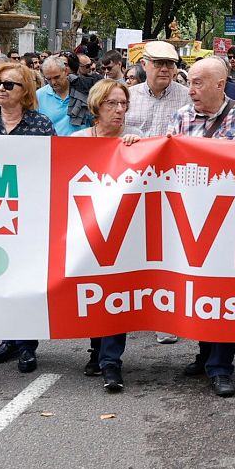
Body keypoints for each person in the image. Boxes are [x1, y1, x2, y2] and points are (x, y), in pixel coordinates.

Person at [174, 56, 235, 397]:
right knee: (199, 290)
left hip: (233, 220)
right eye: (190, 82)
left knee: (226, 294)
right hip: (194, 219)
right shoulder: (182, 117)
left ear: (220, 85)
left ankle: (222, 367)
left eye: (198, 82)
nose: (191, 89)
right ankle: (204, 353)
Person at [0, 61, 56, 373]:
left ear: (25, 92)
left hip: (31, 213)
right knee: (0, 274)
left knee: (26, 278)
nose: (1, 90)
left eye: (9, 85)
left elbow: (52, 165)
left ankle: (27, 344)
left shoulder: (40, 124)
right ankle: (8, 338)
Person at [72, 79, 144, 393]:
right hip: (85, 228)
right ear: (96, 106)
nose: (119, 110)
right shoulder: (77, 140)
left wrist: (135, 148)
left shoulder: (136, 139)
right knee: (92, 291)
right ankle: (96, 349)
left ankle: (111, 361)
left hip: (123, 231)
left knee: (116, 293)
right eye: (111, 104)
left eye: (123, 104)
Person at [125, 41, 190, 137]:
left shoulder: (188, 98)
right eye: (158, 63)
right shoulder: (127, 96)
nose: (164, 69)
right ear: (143, 64)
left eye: (170, 63)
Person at [36, 53, 91, 136]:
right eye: (48, 79)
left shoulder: (84, 90)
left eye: (57, 77)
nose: (53, 82)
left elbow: (95, 121)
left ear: (65, 71)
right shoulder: (39, 96)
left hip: (82, 145)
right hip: (52, 146)